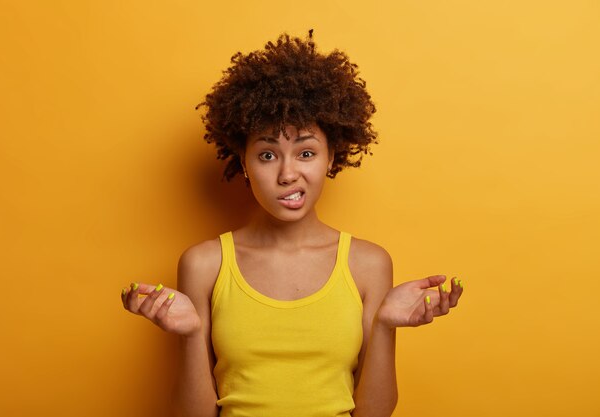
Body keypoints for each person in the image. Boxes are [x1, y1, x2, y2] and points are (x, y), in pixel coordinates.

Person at [120, 29, 464, 417]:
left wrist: (385, 325)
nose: (287, 174)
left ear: (331, 157)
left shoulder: (367, 264)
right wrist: (192, 334)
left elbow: (373, 414)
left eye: (305, 152)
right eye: (267, 155)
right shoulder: (204, 264)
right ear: (244, 162)